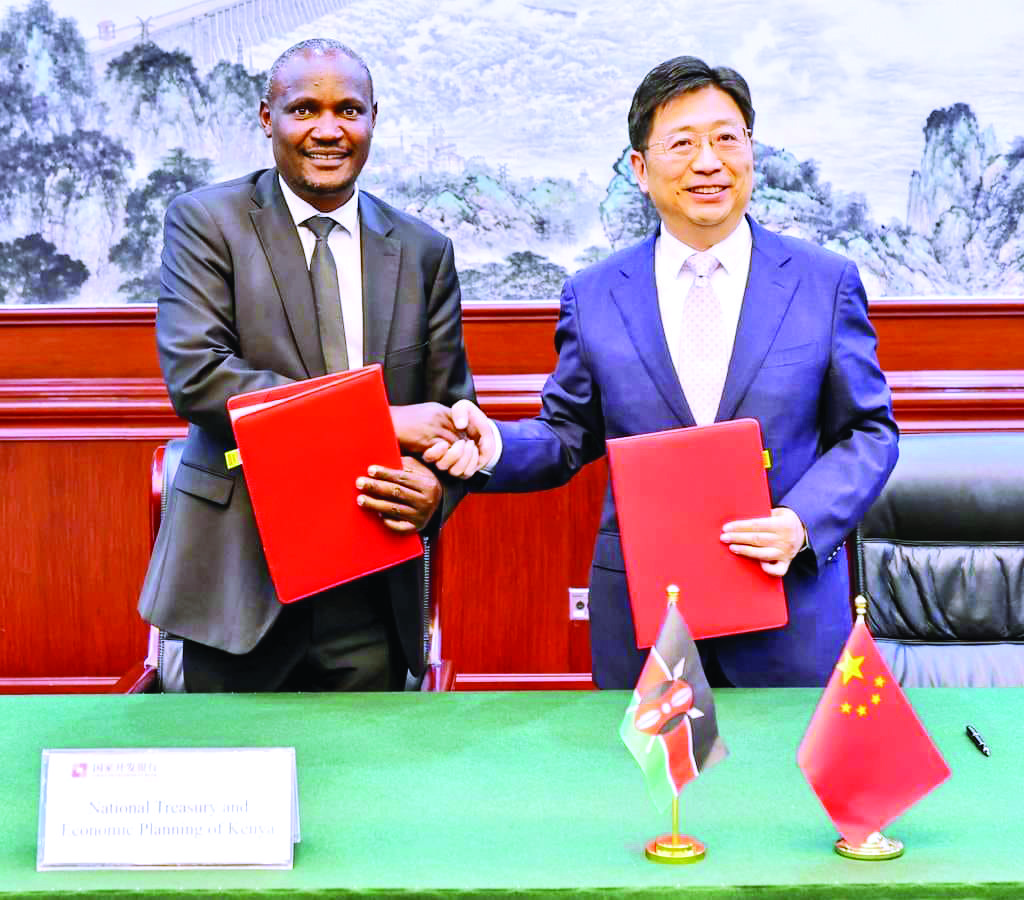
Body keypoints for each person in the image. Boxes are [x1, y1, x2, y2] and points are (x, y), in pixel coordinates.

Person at [426, 56, 899, 689]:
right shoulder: (595, 295)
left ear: (751, 152)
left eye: (726, 139)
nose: (709, 162)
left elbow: (869, 432)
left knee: (782, 790)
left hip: (789, 618)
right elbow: (568, 434)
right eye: (683, 144)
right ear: (641, 170)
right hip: (648, 624)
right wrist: (494, 446)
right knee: (651, 792)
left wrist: (803, 524)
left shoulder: (824, 282)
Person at [138, 39, 477, 693]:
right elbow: (200, 379)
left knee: (366, 792)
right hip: (236, 584)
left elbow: (449, 414)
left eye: (349, 109)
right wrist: (381, 418)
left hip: (370, 591)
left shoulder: (423, 250)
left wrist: (437, 494)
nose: (328, 129)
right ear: (268, 118)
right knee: (229, 788)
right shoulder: (206, 222)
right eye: (304, 109)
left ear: (374, 117)